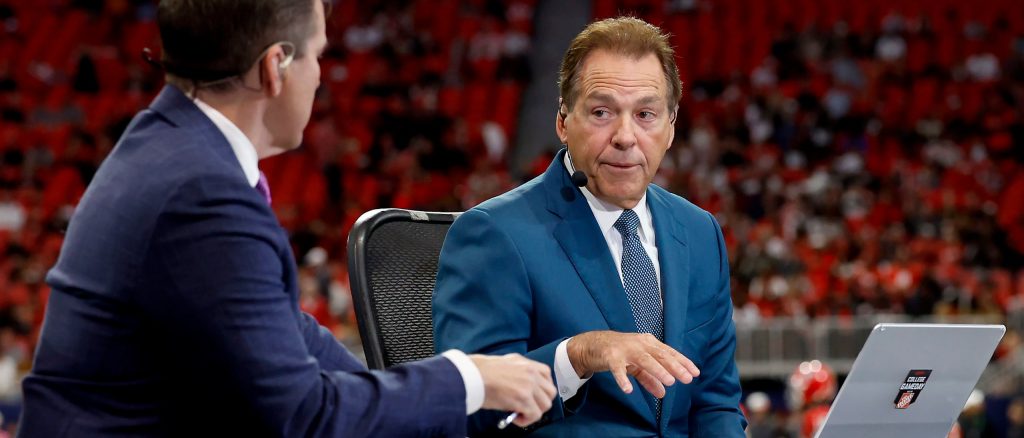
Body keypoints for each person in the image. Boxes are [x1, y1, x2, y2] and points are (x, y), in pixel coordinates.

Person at [19, 1, 556, 436]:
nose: (320, 76)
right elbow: (304, 417)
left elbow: (293, 338)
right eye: (317, 55)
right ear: (275, 66)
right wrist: (467, 379)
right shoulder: (201, 194)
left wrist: (432, 399)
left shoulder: (168, 147)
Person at [433, 16, 746, 437]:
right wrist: (578, 355)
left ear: (671, 127)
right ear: (563, 122)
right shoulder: (494, 235)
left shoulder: (700, 231)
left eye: (646, 114)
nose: (625, 136)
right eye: (602, 112)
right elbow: (471, 410)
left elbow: (716, 403)